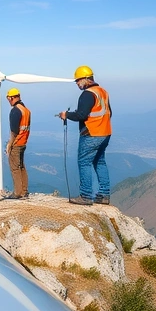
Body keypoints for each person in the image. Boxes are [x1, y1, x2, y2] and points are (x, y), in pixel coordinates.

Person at [59, 65, 112, 206]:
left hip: (91, 134)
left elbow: (81, 115)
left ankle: (86, 196)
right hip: (105, 133)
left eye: (78, 80)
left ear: (86, 79)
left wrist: (66, 115)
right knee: (99, 162)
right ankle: (104, 195)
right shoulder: (102, 92)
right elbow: (108, 112)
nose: (77, 83)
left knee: (84, 163)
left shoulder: (87, 94)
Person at [5, 88, 31, 199]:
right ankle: (24, 191)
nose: (8, 101)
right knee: (21, 167)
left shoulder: (15, 111)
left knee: (15, 168)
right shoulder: (26, 110)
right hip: (24, 142)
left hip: (16, 142)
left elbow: (14, 131)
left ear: (11, 97)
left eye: (8, 98)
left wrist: (9, 145)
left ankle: (17, 193)